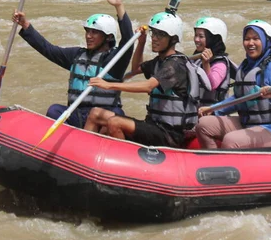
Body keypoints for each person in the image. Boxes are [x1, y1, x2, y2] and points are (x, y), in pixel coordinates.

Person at [12, 0, 133, 128]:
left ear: (108, 37)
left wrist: (119, 6)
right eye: (87, 31)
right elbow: (48, 49)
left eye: (94, 32)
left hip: (101, 116)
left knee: (117, 114)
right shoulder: (76, 55)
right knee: (54, 110)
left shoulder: (114, 60)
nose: (88, 36)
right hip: (77, 114)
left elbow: (128, 39)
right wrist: (26, 26)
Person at [83, 8, 210, 147]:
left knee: (115, 122)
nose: (154, 38)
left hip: (170, 134)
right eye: (153, 33)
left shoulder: (175, 65)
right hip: (153, 126)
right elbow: (136, 68)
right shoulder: (159, 61)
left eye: (160, 35)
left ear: (173, 39)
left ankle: (126, 160)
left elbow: (148, 86)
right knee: (96, 113)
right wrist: (141, 43)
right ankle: (84, 152)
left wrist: (108, 85)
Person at [196, 20, 271, 149]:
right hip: (247, 123)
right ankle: (213, 161)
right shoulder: (245, 66)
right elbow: (238, 99)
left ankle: (225, 167)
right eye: (247, 39)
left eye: (255, 39)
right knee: (202, 124)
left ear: (266, 41)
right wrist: (213, 109)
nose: (250, 43)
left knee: (231, 140)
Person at [192, 17, 232, 106]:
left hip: (213, 113)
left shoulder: (221, 63)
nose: (196, 39)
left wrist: (206, 64)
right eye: (196, 35)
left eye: (201, 36)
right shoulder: (196, 59)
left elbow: (212, 85)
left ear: (213, 38)